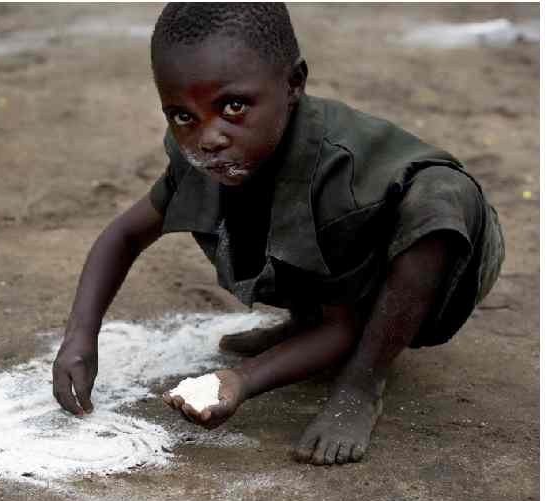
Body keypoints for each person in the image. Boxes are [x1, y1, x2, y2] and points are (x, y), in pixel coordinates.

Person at [51, 3, 504, 466]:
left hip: (444, 262)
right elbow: (124, 236)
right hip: (342, 261)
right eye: (183, 116)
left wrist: (243, 380)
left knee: (437, 201)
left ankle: (361, 385)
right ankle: (305, 324)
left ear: (293, 84)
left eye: (233, 107)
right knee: (226, 202)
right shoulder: (217, 156)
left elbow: (344, 328)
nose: (208, 137)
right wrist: (80, 337)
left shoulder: (338, 179)